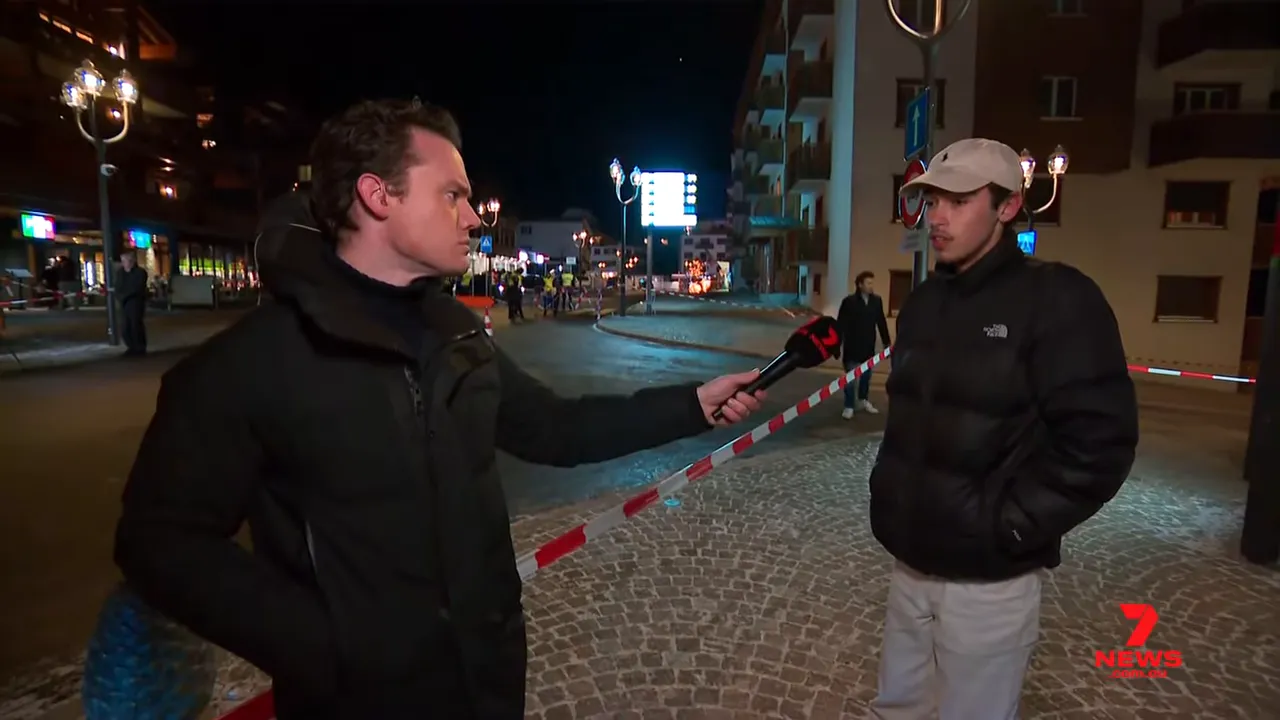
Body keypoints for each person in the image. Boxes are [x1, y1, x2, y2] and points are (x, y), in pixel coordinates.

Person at [113, 98, 766, 720]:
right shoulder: (251, 363)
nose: (474, 217)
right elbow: (160, 542)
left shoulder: (458, 337)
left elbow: (555, 429)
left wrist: (691, 405)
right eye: (452, 195)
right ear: (378, 196)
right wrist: (322, 647)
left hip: (485, 685)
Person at [868, 138, 1138, 719]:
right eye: (931, 201)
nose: (937, 217)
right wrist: (889, 498)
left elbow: (1100, 446)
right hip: (909, 564)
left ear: (1008, 206)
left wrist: (1007, 527)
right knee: (897, 709)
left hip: (989, 584)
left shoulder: (1058, 299)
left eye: (959, 200)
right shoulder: (922, 303)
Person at [835, 271, 890, 418]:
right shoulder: (849, 302)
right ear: (860, 285)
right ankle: (849, 405)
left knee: (866, 377)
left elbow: (881, 322)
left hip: (868, 347)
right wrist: (836, 346)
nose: (871, 285)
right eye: (868, 283)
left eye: (872, 283)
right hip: (852, 346)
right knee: (850, 379)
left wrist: (886, 343)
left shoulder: (876, 301)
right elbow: (841, 324)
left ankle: (863, 400)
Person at [116, 250, 149, 356]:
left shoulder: (140, 272)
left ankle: (139, 347)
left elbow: (137, 287)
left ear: (133, 260)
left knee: (136, 325)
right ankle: (131, 346)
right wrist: (120, 297)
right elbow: (118, 286)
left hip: (135, 302)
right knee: (125, 326)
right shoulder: (120, 273)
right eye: (123, 260)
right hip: (124, 303)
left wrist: (125, 295)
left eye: (127, 260)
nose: (125, 263)